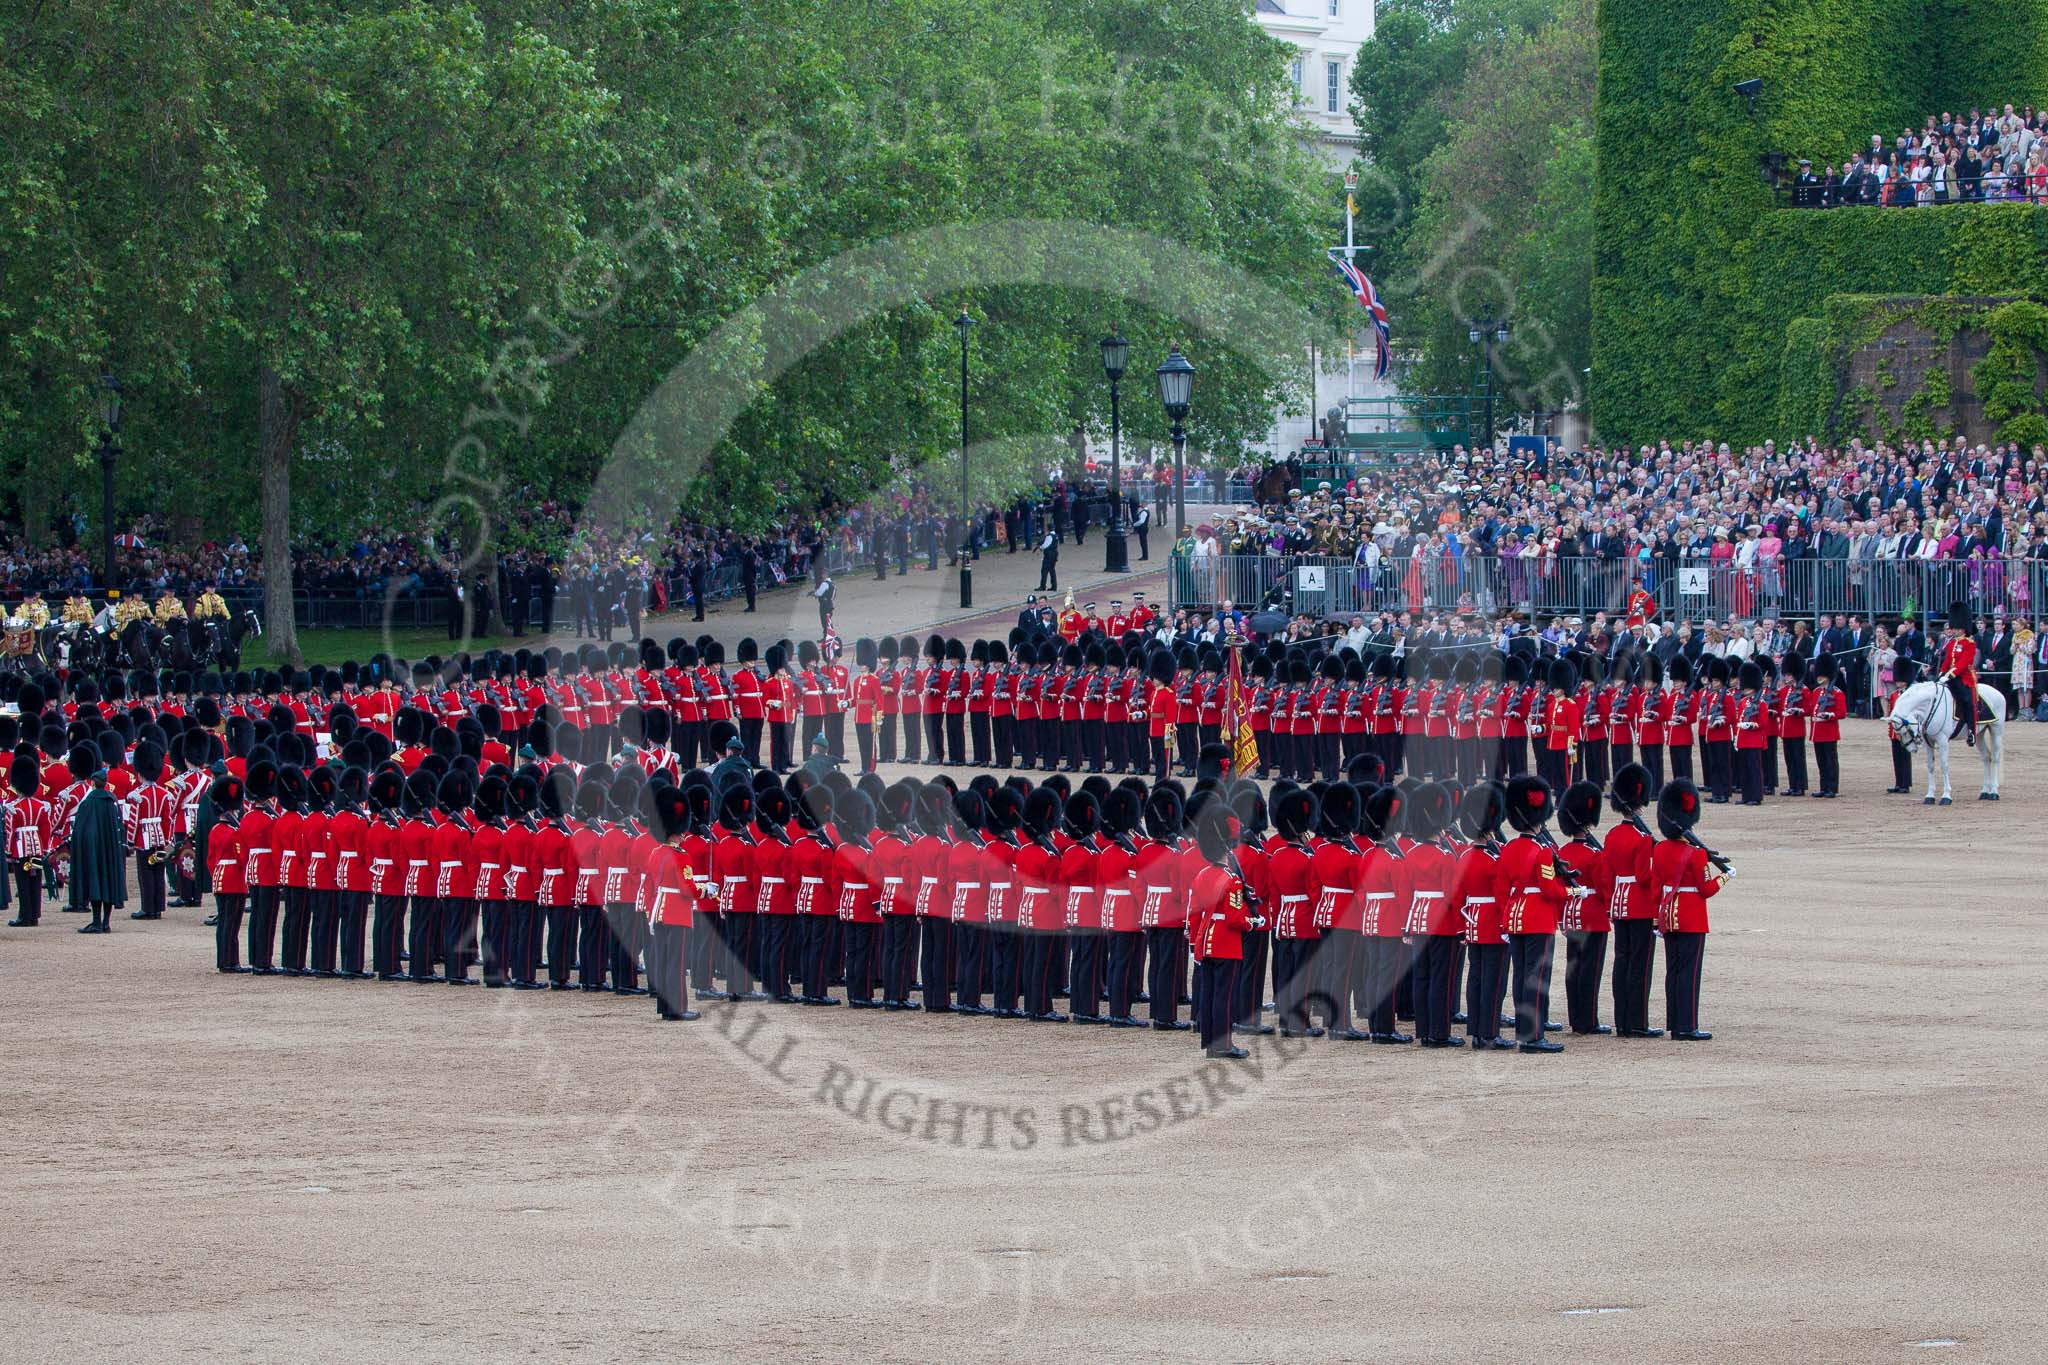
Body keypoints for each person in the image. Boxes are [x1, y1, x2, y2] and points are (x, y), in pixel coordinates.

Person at [1651, 778, 1730, 1040]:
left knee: (1673, 971)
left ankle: (1675, 1022)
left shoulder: (1660, 849)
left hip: (1667, 916)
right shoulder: (1695, 854)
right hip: (1691, 916)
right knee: (1689, 973)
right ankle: (1687, 1026)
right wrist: (1726, 876)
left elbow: (1655, 885)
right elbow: (1706, 889)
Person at [67, 760, 128, 934]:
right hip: (110, 849)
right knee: (108, 883)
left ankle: (96, 921)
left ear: (93, 783)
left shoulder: (88, 803)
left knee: (95, 883)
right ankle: (106, 923)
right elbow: (119, 825)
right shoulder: (112, 801)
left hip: (94, 850)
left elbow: (80, 830)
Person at [1937, 601, 1980, 744]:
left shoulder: (1970, 644)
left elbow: (1963, 664)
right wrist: (1941, 674)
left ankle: (1971, 731)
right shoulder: (1952, 643)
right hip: (1951, 676)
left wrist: (1949, 675)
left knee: (1968, 702)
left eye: (1955, 628)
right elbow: (1947, 661)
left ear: (1963, 629)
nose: (1953, 630)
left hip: (1964, 678)